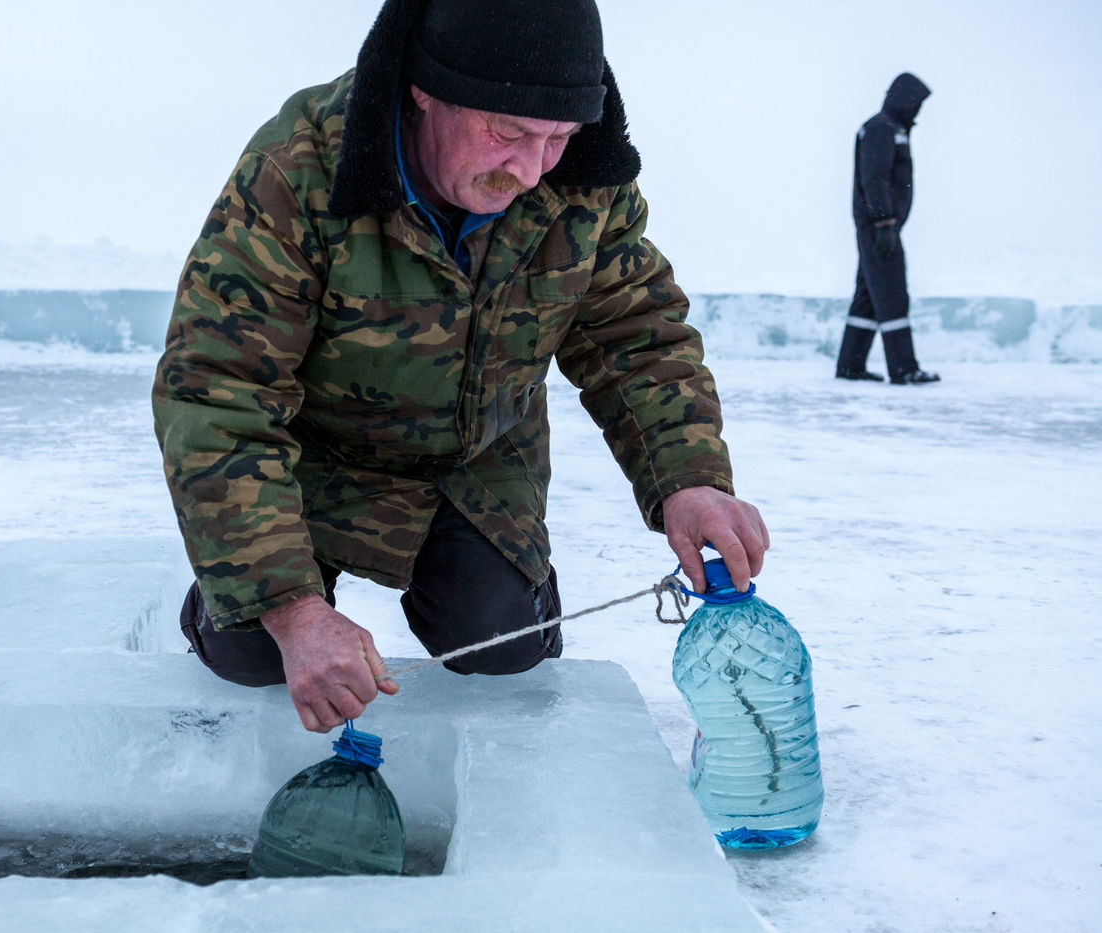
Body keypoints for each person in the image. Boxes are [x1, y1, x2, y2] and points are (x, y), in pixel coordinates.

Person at [152, 0, 769, 733]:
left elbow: (634, 336)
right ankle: (235, 594)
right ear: (425, 89)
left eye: (558, 138)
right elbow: (219, 389)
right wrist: (289, 607)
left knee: (502, 645)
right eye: (508, 133)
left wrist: (689, 480)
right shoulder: (299, 170)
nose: (530, 170)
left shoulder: (587, 179)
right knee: (254, 649)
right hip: (316, 457)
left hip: (477, 462)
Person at [835, 72, 940, 385]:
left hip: (882, 225)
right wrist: (884, 222)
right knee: (893, 293)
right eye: (917, 102)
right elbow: (875, 177)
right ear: (904, 98)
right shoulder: (882, 128)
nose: (918, 109)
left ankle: (850, 366)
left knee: (868, 297)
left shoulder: (891, 128)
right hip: (879, 227)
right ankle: (904, 369)